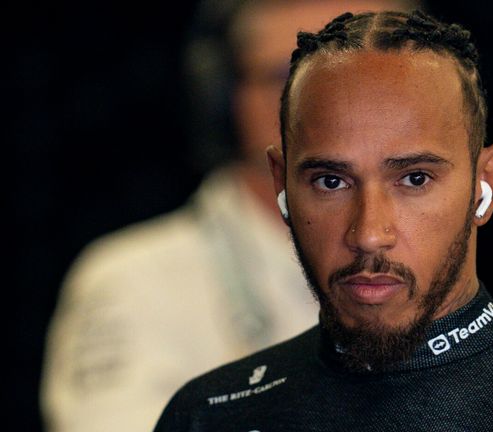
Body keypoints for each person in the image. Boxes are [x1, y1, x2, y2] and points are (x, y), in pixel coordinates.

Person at [154, 10, 493, 432]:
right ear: (282, 185)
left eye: (414, 178)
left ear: (486, 185)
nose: (369, 233)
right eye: (331, 182)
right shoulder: (209, 414)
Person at [40, 2, 405, 432]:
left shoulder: (440, 262)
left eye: (378, 74)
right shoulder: (128, 282)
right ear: (222, 99)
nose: (345, 107)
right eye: (293, 78)